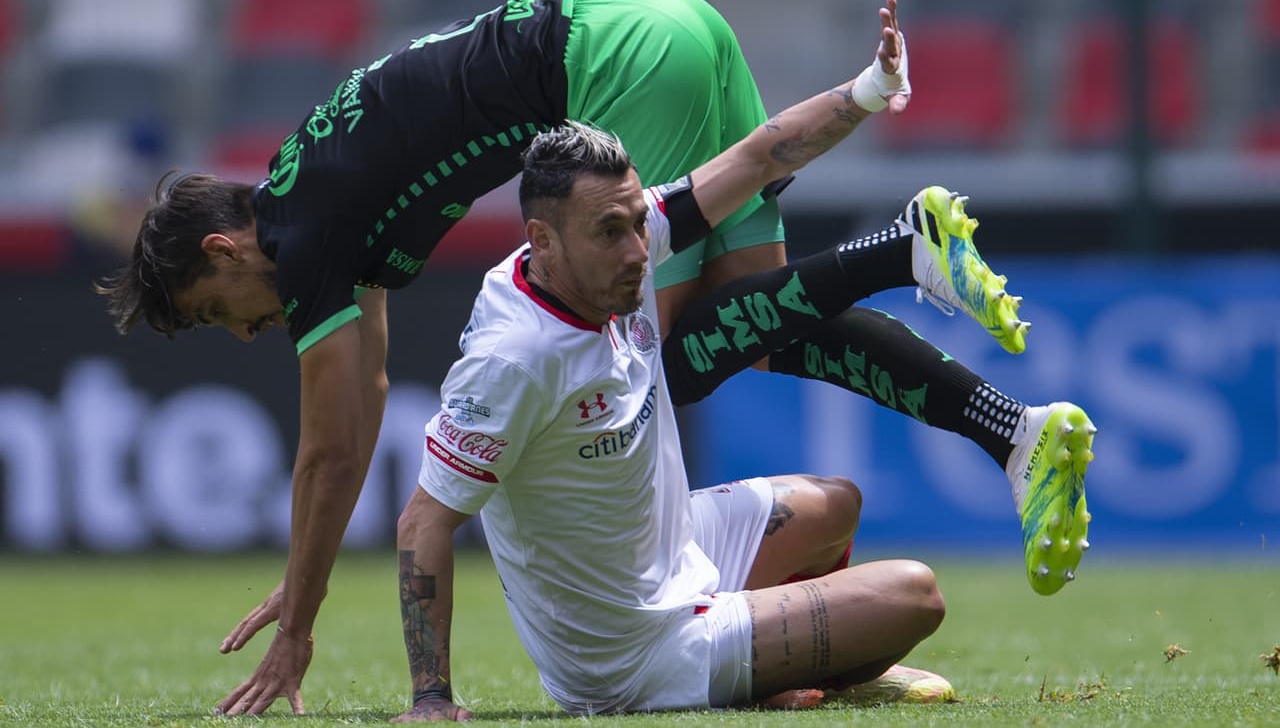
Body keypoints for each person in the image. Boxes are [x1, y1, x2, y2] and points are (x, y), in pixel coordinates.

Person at [92, 0, 1092, 715]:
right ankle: (1010, 429)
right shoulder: (312, 190)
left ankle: (898, 249)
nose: (251, 328)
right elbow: (363, 395)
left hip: (611, 66)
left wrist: (300, 617)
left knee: (656, 352)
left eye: (225, 309)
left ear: (225, 249)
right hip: (672, 21)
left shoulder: (299, 243)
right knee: (753, 318)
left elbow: (331, 448)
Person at [390, 110, 983, 719]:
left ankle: (789, 666)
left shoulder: (608, 238)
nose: (639, 253)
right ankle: (789, 670)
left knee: (837, 504)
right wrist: (431, 698)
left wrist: (869, 92)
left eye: (640, 225)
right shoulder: (513, 361)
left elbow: (758, 157)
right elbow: (422, 522)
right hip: (632, 652)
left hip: (672, 549)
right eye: (612, 232)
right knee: (915, 593)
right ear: (542, 240)